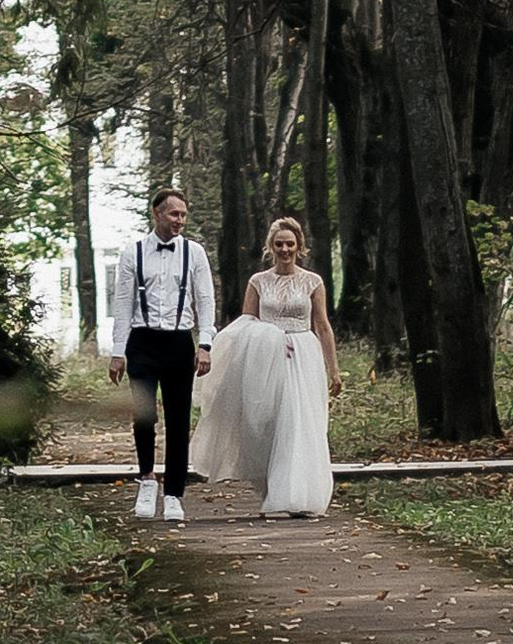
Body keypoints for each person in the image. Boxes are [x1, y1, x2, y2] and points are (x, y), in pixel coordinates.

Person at [194, 215, 341, 518]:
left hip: (303, 354)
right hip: (268, 356)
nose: (285, 249)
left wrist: (333, 369)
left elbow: (322, 325)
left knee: (300, 422)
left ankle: (300, 494)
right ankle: (272, 487)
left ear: (299, 246)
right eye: (279, 244)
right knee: (268, 422)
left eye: (290, 244)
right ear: (270, 247)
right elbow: (247, 322)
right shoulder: (258, 282)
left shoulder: (312, 282)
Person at [105, 185, 215, 523]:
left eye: (183, 214)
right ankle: (147, 479)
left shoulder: (194, 253)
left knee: (179, 420)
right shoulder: (132, 253)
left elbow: (206, 300)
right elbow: (122, 305)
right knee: (144, 415)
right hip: (142, 341)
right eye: (174, 214)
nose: (179, 220)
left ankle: (174, 494)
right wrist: (118, 351)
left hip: (179, 342)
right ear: (157, 213)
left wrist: (206, 344)